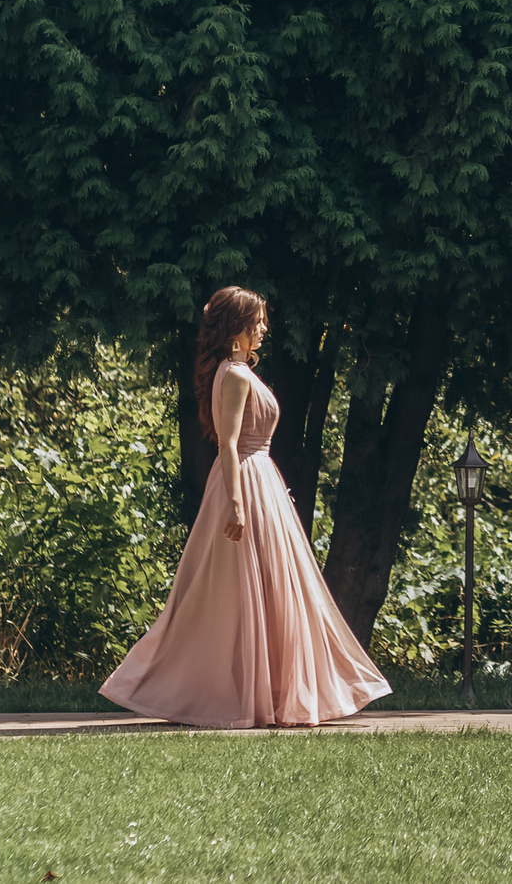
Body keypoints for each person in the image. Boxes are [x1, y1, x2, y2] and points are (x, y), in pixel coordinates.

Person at [101, 286, 392, 727]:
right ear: (236, 326)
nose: (264, 328)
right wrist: (236, 505)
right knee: (243, 587)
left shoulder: (235, 371)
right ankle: (235, 692)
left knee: (266, 587)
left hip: (258, 481)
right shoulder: (234, 375)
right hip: (246, 483)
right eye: (257, 321)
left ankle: (268, 691)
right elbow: (228, 443)